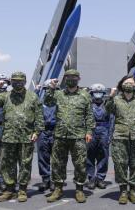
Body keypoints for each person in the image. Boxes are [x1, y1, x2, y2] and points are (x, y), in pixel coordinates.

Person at [0, 71, 43, 203]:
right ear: (11, 82)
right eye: (15, 81)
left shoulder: (32, 97)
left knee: (25, 164)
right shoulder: (5, 96)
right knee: (7, 164)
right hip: (8, 136)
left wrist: (37, 131)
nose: (17, 83)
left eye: (20, 81)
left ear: (24, 82)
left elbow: (39, 115)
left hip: (26, 136)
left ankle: (22, 189)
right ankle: (9, 190)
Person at [44, 69, 95, 203]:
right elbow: (48, 102)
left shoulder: (85, 95)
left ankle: (79, 189)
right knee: (57, 163)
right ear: (65, 79)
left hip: (78, 135)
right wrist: (51, 88)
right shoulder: (59, 94)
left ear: (79, 79)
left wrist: (89, 131)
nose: (71, 79)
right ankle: (58, 189)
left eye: (74, 77)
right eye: (68, 77)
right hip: (60, 135)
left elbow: (89, 115)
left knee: (80, 164)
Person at [106, 75, 135, 204]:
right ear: (121, 84)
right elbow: (107, 111)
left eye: (131, 83)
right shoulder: (116, 99)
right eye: (126, 82)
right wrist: (111, 96)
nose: (129, 85)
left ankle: (133, 191)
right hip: (120, 136)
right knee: (120, 164)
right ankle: (123, 191)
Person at [86, 83, 112, 190]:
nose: (98, 95)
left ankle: (100, 178)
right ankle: (91, 178)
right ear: (91, 93)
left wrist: (110, 135)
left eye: (100, 93)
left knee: (103, 155)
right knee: (89, 155)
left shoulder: (108, 105)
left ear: (103, 94)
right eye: (95, 93)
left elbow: (112, 120)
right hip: (91, 131)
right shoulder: (87, 105)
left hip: (104, 131)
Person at [35, 81, 57, 192]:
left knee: (56, 158)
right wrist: (36, 90)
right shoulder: (38, 99)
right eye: (45, 89)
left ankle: (54, 180)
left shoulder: (59, 98)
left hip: (55, 130)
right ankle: (45, 179)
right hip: (42, 130)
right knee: (43, 156)